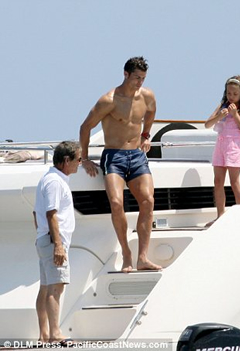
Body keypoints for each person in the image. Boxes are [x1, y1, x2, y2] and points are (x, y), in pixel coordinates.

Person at [79, 56, 162, 273]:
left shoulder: (147, 96)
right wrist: (85, 158)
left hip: (136, 156)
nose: (139, 82)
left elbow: (152, 111)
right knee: (116, 203)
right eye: (136, 78)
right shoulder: (109, 100)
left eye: (143, 78)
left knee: (148, 201)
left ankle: (142, 257)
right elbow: (85, 127)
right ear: (125, 74)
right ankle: (126, 254)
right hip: (113, 156)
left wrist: (146, 135)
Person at [33, 141, 81, 345]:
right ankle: (55, 334)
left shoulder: (49, 179)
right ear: (67, 160)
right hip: (53, 241)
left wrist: (42, 234)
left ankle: (44, 334)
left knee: (45, 288)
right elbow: (51, 213)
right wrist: (58, 244)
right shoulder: (55, 182)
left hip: (45, 240)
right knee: (56, 288)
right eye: (78, 159)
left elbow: (36, 213)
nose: (80, 163)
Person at [204, 76, 240, 223]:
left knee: (234, 182)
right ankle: (220, 215)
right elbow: (207, 124)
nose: (231, 97)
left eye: (235, 94)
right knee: (218, 181)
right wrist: (219, 116)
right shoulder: (222, 106)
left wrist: (235, 115)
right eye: (229, 93)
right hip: (221, 145)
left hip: (234, 146)